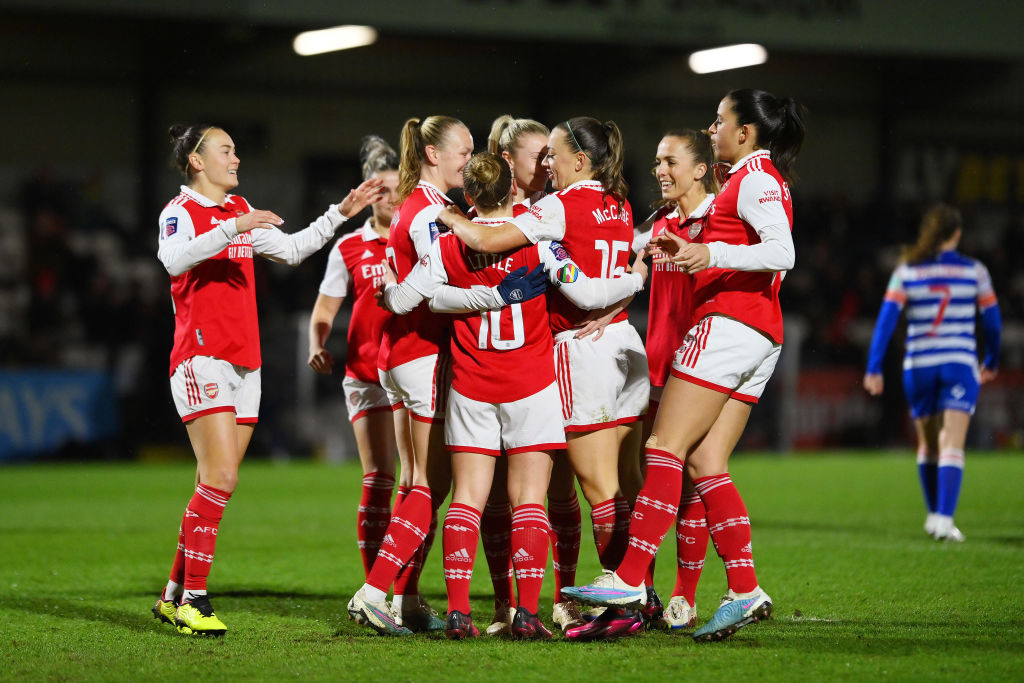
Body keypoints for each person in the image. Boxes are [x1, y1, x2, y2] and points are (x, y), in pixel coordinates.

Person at [562, 88, 806, 643]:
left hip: (730, 324)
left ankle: (628, 581)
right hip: (758, 331)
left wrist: (710, 255)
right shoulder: (749, 183)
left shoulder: (755, 179)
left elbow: (783, 252)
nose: (712, 127)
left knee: (662, 449)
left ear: (745, 133)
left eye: (720, 121)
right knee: (705, 463)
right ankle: (744, 588)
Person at [382, 152, 647, 639]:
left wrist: (387, 282)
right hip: (531, 385)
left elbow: (403, 301)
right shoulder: (542, 242)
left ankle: (460, 612)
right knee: (530, 500)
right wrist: (636, 277)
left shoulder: (444, 246)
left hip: (470, 387)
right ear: (513, 191)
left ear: (469, 196)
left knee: (466, 499)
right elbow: (586, 295)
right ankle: (527, 612)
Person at [152, 124, 383, 636]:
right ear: (196, 161)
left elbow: (294, 249)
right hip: (202, 359)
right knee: (221, 478)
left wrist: (340, 213)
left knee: (214, 484)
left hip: (246, 365)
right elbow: (173, 260)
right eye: (226, 150)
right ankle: (193, 600)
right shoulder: (179, 212)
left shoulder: (240, 210)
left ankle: (171, 593)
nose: (236, 158)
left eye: (236, 149)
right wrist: (233, 230)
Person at [346, 115, 472, 636]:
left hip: (400, 356)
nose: (470, 158)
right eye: (463, 150)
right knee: (428, 484)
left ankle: (408, 599)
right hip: (420, 354)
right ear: (432, 154)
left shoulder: (421, 206)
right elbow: (429, 280)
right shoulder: (429, 213)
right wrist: (486, 296)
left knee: (415, 481)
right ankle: (375, 592)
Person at [863, 204, 1001, 542]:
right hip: (958, 362)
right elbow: (993, 323)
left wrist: (874, 366)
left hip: (919, 364)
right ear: (957, 234)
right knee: (952, 442)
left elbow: (886, 321)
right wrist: (992, 359)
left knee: (927, 444)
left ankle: (932, 517)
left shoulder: (907, 269)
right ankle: (944, 518)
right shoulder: (975, 271)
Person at [307, 135, 412, 578]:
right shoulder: (348, 247)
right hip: (367, 374)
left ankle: (406, 588)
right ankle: (375, 586)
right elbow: (325, 310)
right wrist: (317, 342)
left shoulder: (421, 237)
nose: (388, 197)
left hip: (412, 371)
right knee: (380, 478)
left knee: (416, 483)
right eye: (380, 189)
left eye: (395, 188)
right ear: (368, 192)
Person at [632, 130, 717, 631]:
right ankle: (642, 590)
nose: (660, 171)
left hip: (701, 370)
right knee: (651, 481)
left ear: (700, 169)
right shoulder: (657, 224)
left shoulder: (722, 224)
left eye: (670, 162)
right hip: (656, 368)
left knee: (690, 485)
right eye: (657, 161)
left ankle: (683, 597)